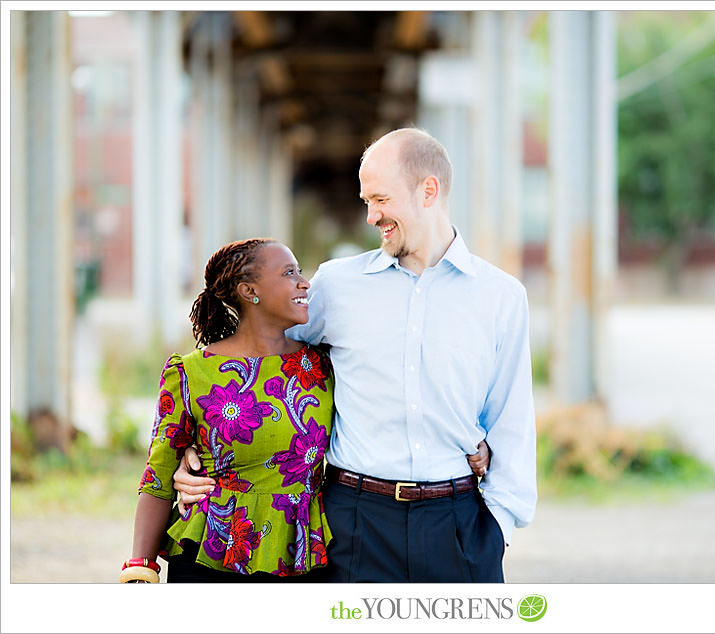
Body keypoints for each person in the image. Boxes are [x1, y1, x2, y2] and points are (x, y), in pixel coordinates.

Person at [174, 128, 536, 583]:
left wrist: (497, 529)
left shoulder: (500, 296)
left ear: (429, 190)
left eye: (380, 199)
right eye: (366, 201)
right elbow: (255, 351)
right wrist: (200, 440)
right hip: (355, 524)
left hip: (460, 526)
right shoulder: (336, 286)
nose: (371, 216)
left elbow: (512, 418)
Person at [123, 238, 336, 582]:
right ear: (250, 290)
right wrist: (139, 569)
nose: (304, 282)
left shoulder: (321, 365)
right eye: (288, 273)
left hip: (301, 554)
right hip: (210, 554)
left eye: (299, 271)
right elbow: (158, 476)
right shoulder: (190, 372)